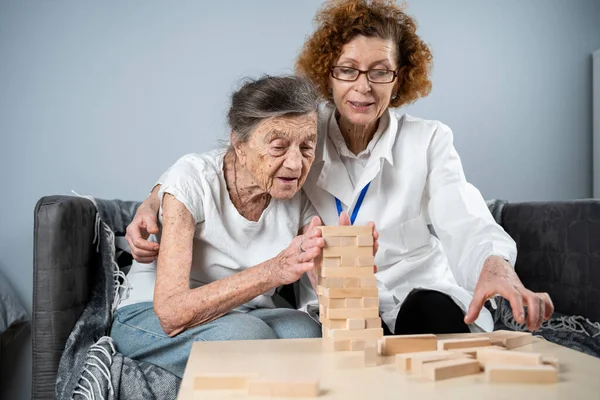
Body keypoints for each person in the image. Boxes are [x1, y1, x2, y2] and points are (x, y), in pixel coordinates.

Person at [126, 0, 553, 336]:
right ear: (327, 75)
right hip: (337, 307)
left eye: (380, 72)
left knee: (426, 316)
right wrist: (155, 198)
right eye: (348, 70)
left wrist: (496, 265)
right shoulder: (301, 136)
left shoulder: (429, 140)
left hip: (421, 304)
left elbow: (464, 216)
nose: (362, 87)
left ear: (399, 78)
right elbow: (229, 160)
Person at [111, 75, 333, 378]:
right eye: (279, 147)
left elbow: (326, 271)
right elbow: (171, 313)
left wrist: (345, 252)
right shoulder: (192, 179)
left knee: (306, 334)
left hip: (244, 313)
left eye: (307, 147)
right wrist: (274, 270)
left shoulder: (297, 196)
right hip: (148, 313)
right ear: (239, 144)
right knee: (249, 338)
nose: (296, 164)